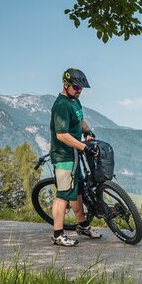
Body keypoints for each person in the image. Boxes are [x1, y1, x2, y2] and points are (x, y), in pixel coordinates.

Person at [49, 68, 102, 246]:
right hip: (64, 156)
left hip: (74, 154)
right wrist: (83, 147)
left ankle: (82, 225)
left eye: (81, 88)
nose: (79, 90)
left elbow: (79, 120)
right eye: (76, 87)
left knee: (77, 191)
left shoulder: (74, 102)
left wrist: (87, 131)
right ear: (66, 84)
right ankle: (57, 234)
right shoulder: (61, 105)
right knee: (63, 195)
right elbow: (62, 135)